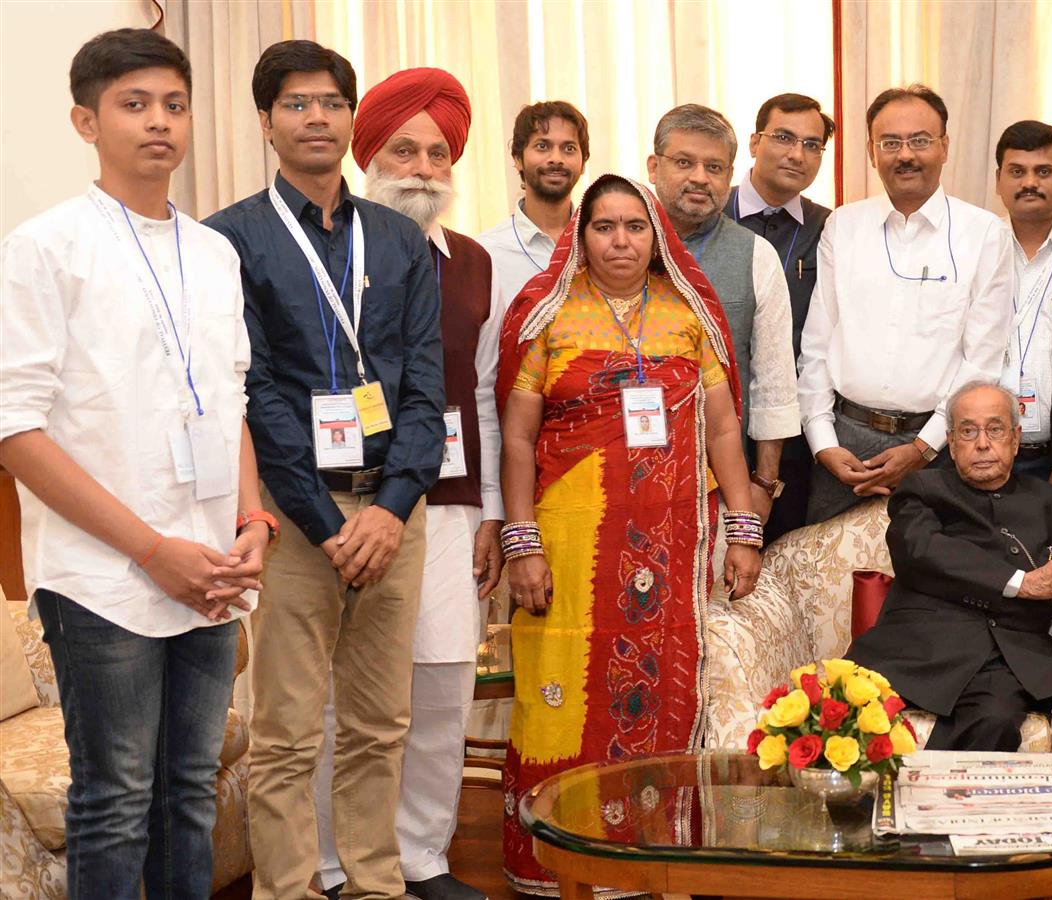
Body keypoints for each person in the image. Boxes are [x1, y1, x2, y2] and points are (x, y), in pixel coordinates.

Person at [0, 28, 268, 899]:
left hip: (213, 568)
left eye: (175, 104)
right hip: (105, 576)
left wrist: (252, 521)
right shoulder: (44, 248)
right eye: (134, 104)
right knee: (116, 801)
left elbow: (230, 401)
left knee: (189, 796)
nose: (160, 123)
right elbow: (15, 434)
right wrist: (155, 549)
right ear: (86, 120)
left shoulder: (216, 251)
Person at [205, 39, 444, 900]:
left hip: (392, 517)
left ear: (352, 118)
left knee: (382, 726)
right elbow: (255, 394)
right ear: (267, 121)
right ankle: (288, 890)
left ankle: (378, 885)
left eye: (332, 102)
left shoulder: (397, 236)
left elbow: (425, 384)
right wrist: (329, 522)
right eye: (297, 103)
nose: (317, 117)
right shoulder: (227, 239)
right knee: (285, 735)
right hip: (297, 522)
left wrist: (392, 506)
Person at [493, 175, 764, 893]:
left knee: (660, 695)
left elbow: (725, 426)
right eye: (604, 226)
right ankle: (554, 866)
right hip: (568, 547)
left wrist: (743, 529)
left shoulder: (687, 314)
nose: (620, 240)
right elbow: (518, 438)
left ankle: (649, 861)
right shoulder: (546, 315)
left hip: (669, 548)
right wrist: (522, 541)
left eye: (634, 227)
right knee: (560, 697)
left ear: (657, 236)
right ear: (580, 235)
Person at [303, 67, 504, 900]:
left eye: (436, 153)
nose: (422, 167)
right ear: (368, 157)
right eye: (403, 151)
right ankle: (330, 864)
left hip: (451, 502)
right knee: (340, 698)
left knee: (443, 684)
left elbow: (486, 395)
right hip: (345, 503)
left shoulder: (475, 262)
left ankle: (420, 857)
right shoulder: (322, 251)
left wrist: (495, 514)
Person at [847, 382, 1052, 751]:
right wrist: (1022, 583)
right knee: (836, 716)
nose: (982, 444)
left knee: (997, 722)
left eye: (995, 429)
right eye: (968, 431)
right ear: (952, 443)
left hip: (1003, 660)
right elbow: (920, 548)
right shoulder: (923, 489)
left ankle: (949, 809)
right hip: (915, 649)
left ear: (1016, 439)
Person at [796, 84, 1016, 524]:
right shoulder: (844, 226)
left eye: (920, 140)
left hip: (937, 447)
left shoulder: (983, 233)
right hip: (845, 443)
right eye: (890, 143)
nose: (906, 155)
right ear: (872, 152)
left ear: (945, 147)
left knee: (935, 583)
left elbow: (982, 360)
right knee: (829, 581)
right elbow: (817, 345)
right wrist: (823, 443)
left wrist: (923, 447)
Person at [646, 103, 800, 533]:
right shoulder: (614, 242)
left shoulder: (755, 256)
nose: (699, 177)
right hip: (623, 473)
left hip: (722, 485)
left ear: (729, 175)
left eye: (714, 166)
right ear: (653, 166)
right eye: (684, 162)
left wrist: (763, 485)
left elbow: (773, 384)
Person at [728, 92, 835, 540]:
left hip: (793, 429)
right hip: (714, 416)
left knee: (782, 553)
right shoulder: (712, 213)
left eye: (813, 145)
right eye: (784, 138)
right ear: (754, 142)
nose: (798, 154)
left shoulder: (830, 228)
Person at [993, 120, 1052, 481]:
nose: (1029, 182)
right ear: (998, 180)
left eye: (1044, 171)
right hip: (979, 451)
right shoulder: (973, 246)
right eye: (1017, 171)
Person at [477, 100, 589, 307]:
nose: (556, 158)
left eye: (569, 148)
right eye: (542, 146)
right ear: (518, 158)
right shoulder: (486, 254)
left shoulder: (600, 244)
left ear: (583, 164)